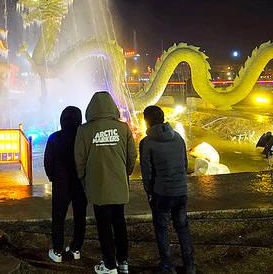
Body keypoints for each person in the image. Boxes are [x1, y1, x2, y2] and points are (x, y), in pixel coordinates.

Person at [75, 91, 137, 274]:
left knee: (103, 225)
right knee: (119, 222)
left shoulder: (84, 130)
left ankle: (109, 265)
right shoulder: (123, 128)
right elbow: (132, 155)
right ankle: (123, 261)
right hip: (118, 183)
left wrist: (84, 179)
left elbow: (79, 159)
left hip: (97, 184)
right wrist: (124, 174)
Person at [140, 105, 195, 274]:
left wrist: (149, 192)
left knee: (162, 228)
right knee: (182, 227)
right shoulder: (178, 137)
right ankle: (190, 265)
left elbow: (147, 172)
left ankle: (167, 266)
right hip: (180, 191)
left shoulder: (147, 143)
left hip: (161, 193)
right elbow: (185, 164)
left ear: (147, 121)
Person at [44, 106, 87, 263]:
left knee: (58, 217)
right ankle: (76, 248)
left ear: (62, 120)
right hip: (80, 183)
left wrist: (52, 177)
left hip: (61, 184)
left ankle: (57, 251)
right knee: (80, 216)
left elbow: (48, 162)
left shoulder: (55, 137)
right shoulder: (84, 138)